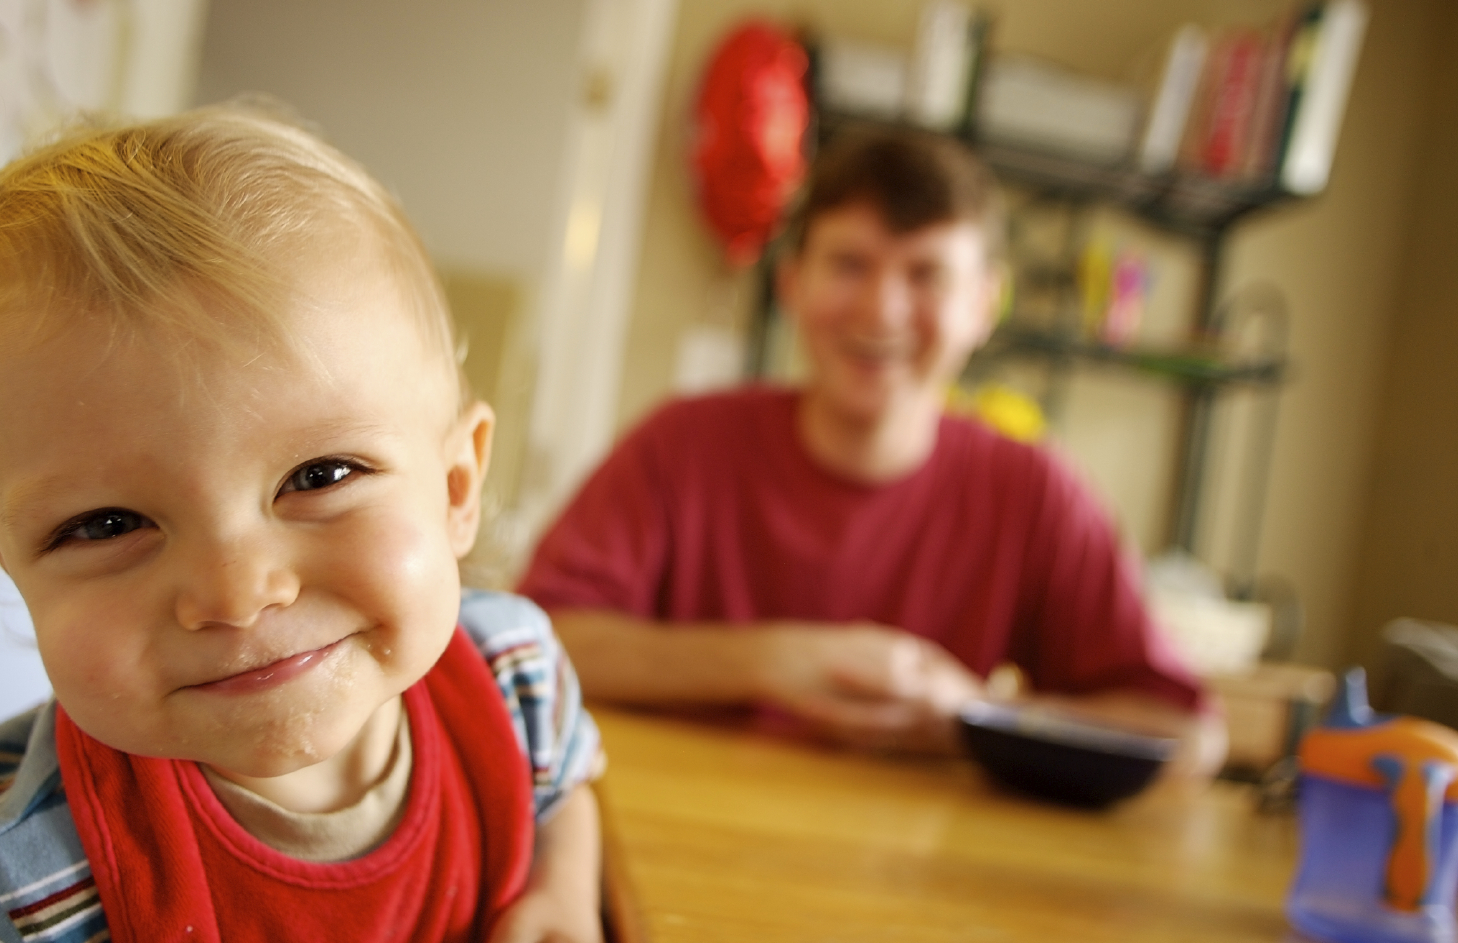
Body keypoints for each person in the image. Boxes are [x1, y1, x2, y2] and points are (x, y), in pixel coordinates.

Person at [0, 107, 613, 943]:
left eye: (318, 475)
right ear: (9, 562)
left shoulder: (512, 676)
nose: (237, 592)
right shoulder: (10, 881)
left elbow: (566, 783)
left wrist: (565, 892)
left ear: (455, 489)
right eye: (107, 524)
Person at [518, 128, 1223, 774]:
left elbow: (1187, 735)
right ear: (792, 283)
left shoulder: (1035, 488)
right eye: (850, 264)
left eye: (926, 275)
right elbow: (533, 647)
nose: (881, 309)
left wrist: (973, 718)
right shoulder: (680, 444)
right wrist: (769, 660)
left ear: (984, 305)